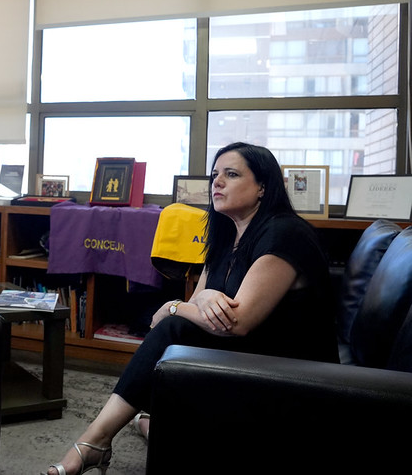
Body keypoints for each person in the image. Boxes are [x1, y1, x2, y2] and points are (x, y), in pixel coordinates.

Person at [44, 142, 338, 475]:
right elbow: (198, 301)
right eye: (215, 175)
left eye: (231, 174)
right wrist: (198, 300)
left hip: (292, 368)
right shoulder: (227, 235)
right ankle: (130, 428)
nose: (217, 182)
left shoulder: (285, 233)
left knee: (173, 327)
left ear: (262, 187)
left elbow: (236, 322)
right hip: (254, 350)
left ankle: (97, 441)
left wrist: (173, 307)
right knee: (174, 327)